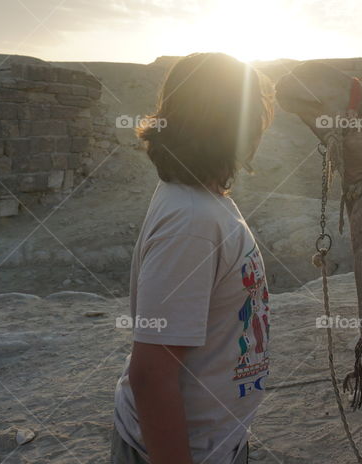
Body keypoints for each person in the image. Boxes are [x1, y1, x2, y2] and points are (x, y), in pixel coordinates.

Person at [112, 53, 275, 464]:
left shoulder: (206, 199)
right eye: (254, 110)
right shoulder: (192, 222)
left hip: (216, 441)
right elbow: (151, 376)